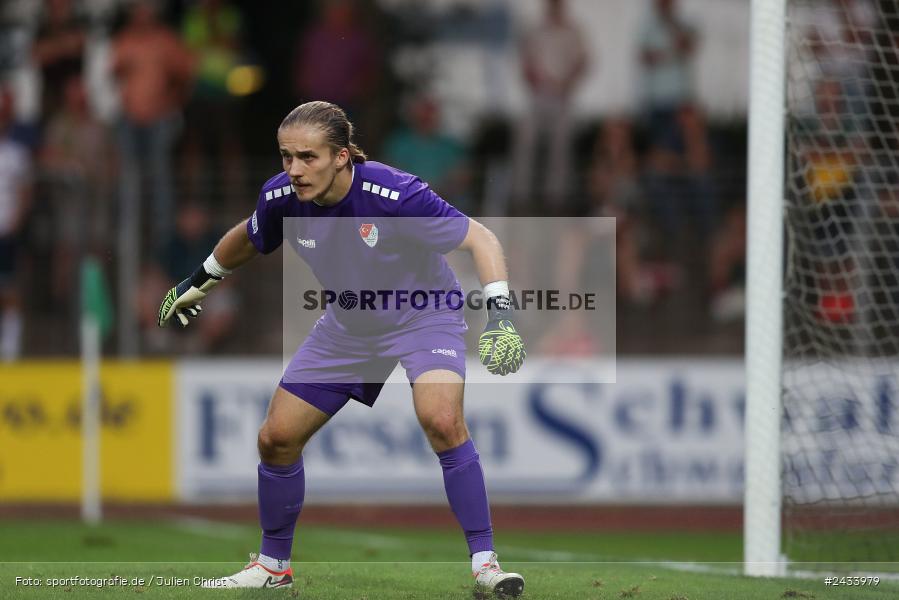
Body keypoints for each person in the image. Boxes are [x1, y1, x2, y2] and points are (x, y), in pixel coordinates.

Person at [157, 101, 526, 597]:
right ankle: (273, 567)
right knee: (276, 439)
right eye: (287, 156)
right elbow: (250, 236)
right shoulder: (283, 195)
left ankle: (486, 566)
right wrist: (200, 280)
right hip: (349, 326)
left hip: (424, 314)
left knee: (441, 420)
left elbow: (480, 238)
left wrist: (500, 315)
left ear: (342, 156)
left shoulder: (394, 192)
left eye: (308, 157)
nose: (295, 169)